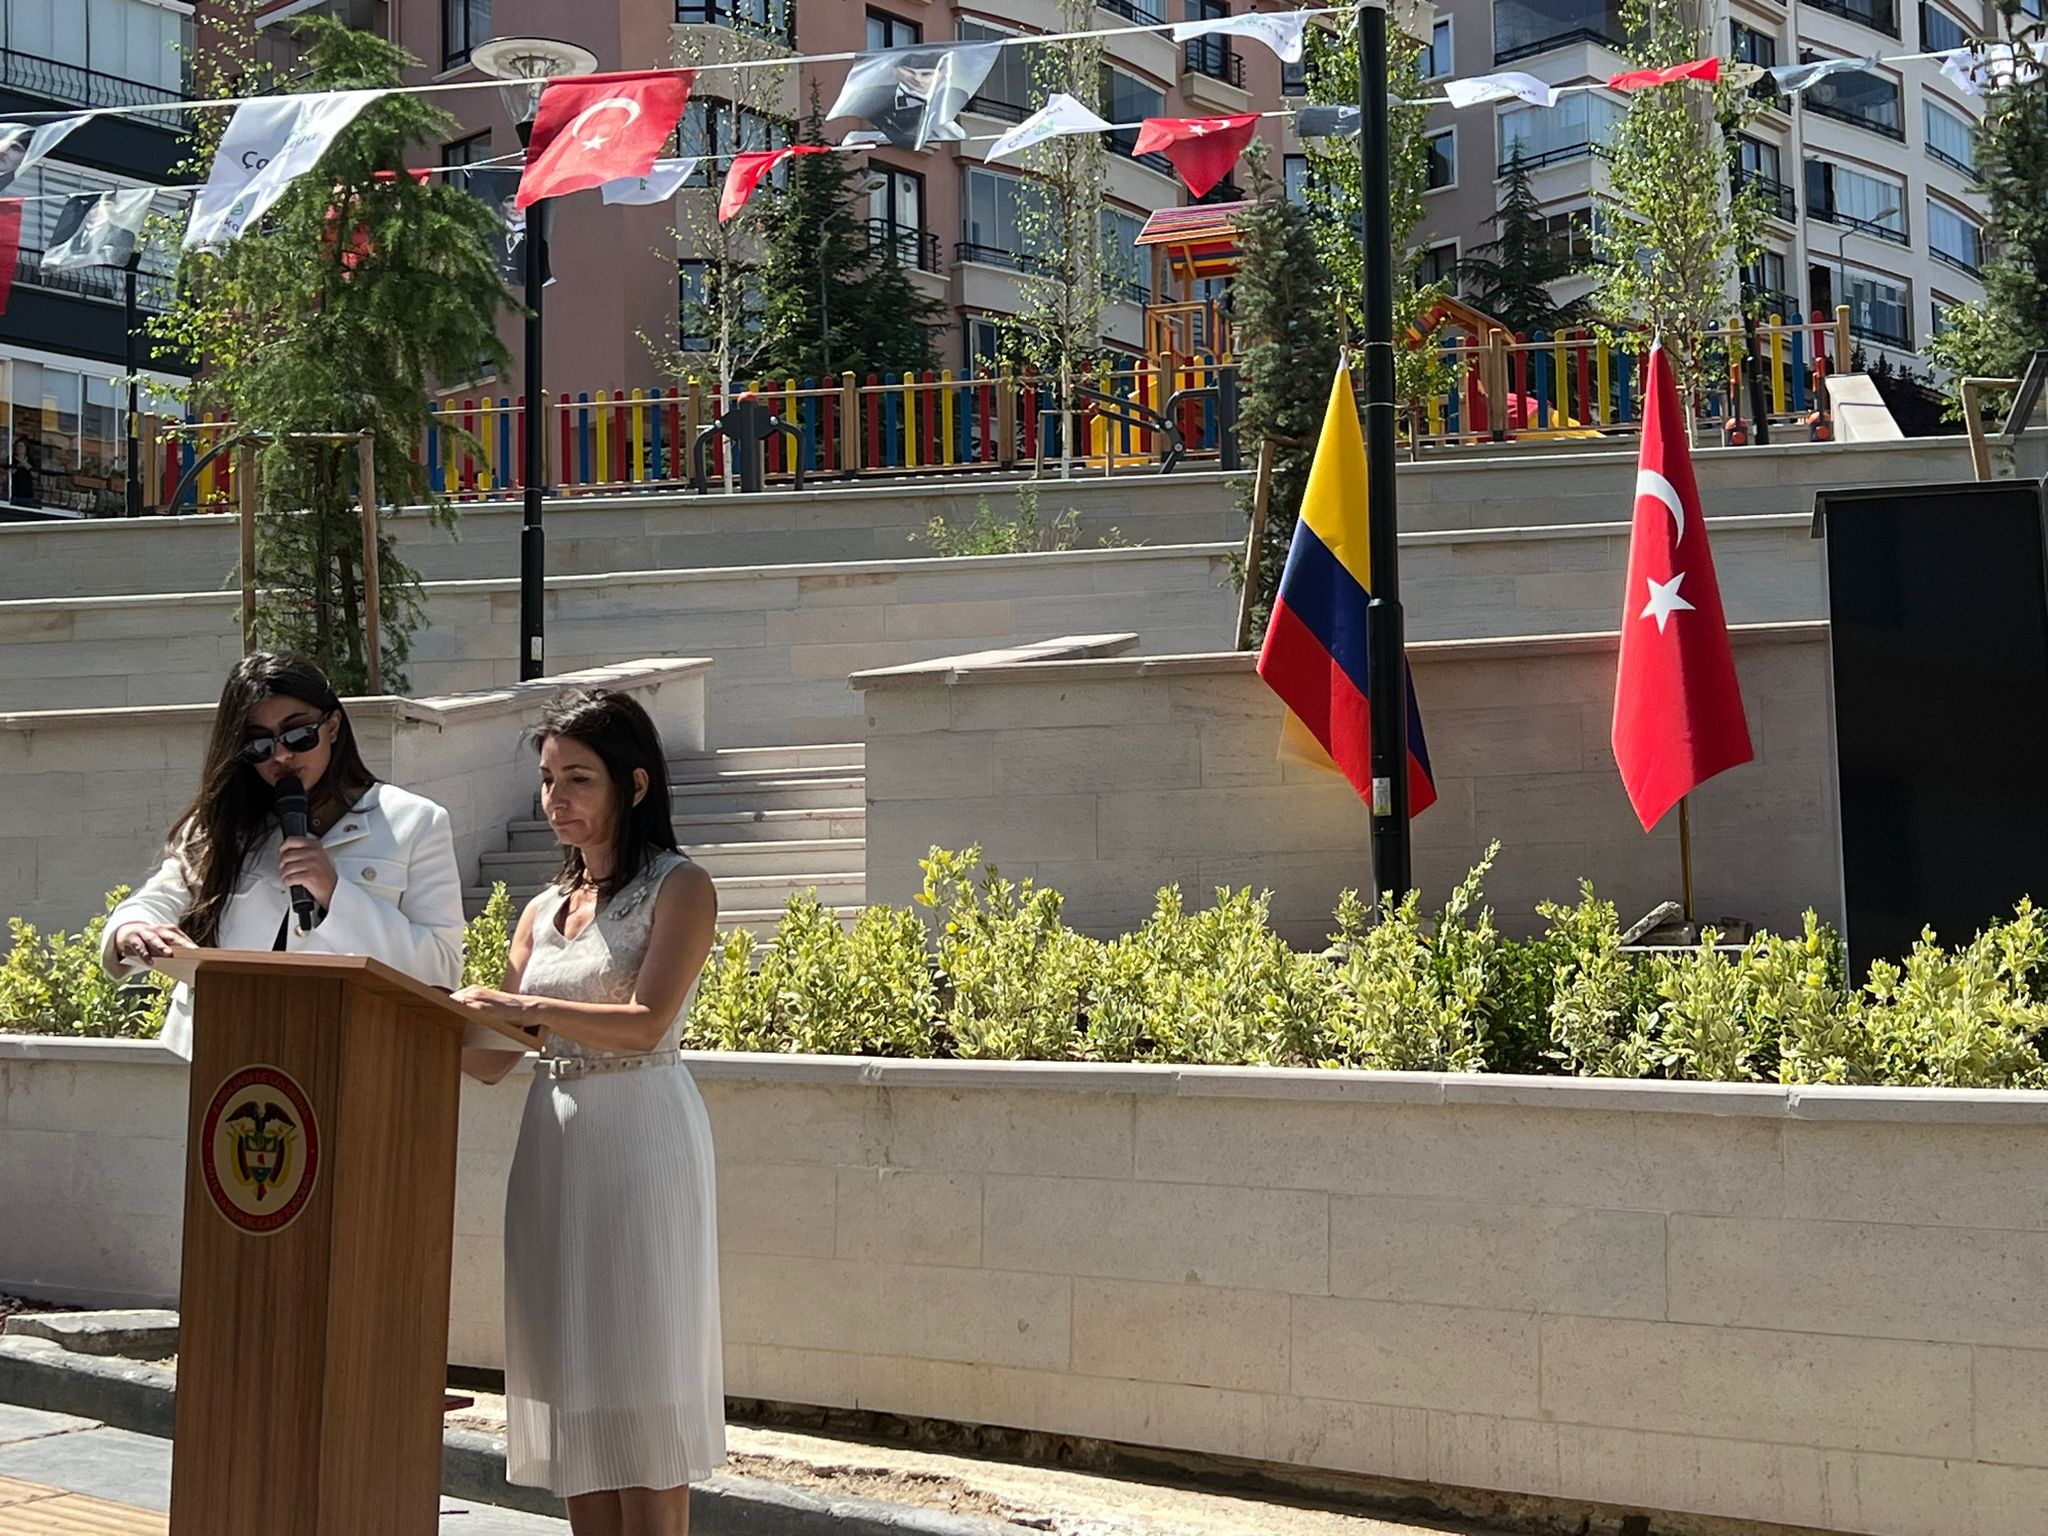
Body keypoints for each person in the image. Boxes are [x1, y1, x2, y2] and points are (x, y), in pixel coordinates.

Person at [454, 688, 722, 1536]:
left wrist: (526, 1011)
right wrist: (416, 1015)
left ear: (634, 785)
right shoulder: (539, 911)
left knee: (640, 1377)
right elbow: (494, 1062)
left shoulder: (682, 887)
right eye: (546, 779)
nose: (557, 799)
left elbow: (646, 1023)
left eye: (579, 778)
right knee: (573, 1379)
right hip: (554, 1140)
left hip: (641, 1136)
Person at [103, 651, 465, 1060]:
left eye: (297, 735)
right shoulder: (227, 827)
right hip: (225, 1058)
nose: (280, 755)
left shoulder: (413, 822)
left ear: (332, 727)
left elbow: (441, 967)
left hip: (349, 1056)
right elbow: (159, 899)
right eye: (259, 743)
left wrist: (336, 894)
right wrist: (130, 930)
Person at [10, 443, 38, 507]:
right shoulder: (11, 459)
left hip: (27, 493)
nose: (19, 448)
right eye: (17, 446)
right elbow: (10, 472)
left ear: (26, 449)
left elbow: (35, 475)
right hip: (14, 492)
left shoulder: (31, 460)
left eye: (21, 446)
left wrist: (26, 465)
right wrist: (18, 465)